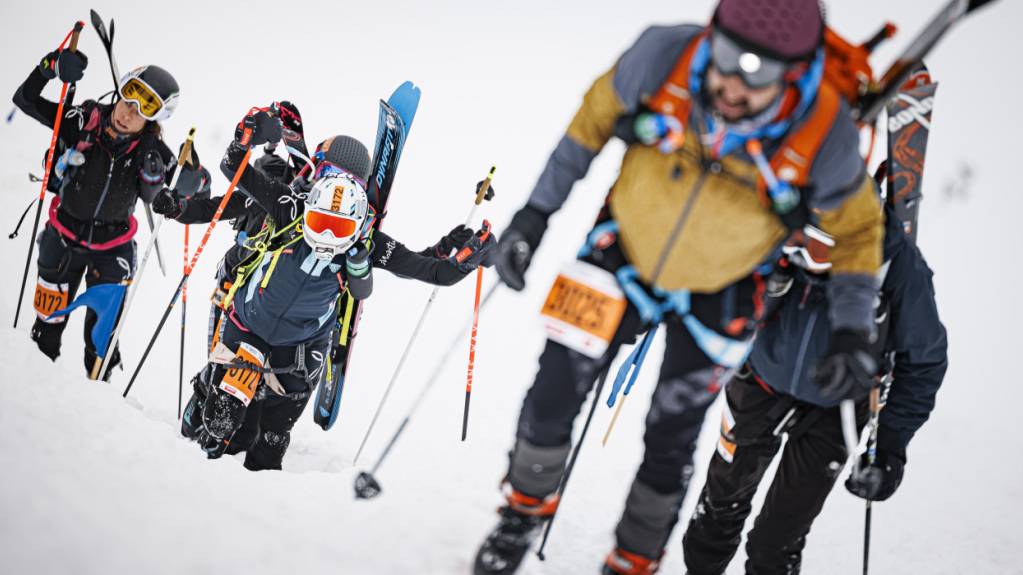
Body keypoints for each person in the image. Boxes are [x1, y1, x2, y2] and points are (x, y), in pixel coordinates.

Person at [474, 0, 885, 573]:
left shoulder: (825, 128)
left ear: (794, 73)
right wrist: (533, 216)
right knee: (553, 392)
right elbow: (588, 124)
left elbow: (861, 229)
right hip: (622, 246)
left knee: (671, 434)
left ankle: (634, 557)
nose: (733, 85)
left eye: (759, 74)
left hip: (725, 286)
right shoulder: (663, 53)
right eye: (724, 59)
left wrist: (850, 326)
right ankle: (522, 508)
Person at [167, 106, 495, 471]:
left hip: (300, 347)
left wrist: (465, 257)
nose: (326, 236)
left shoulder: (365, 240)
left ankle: (255, 502)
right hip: (248, 322)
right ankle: (204, 410)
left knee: (270, 444)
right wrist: (243, 138)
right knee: (221, 430)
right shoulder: (290, 205)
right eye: (320, 222)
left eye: (338, 228)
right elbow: (236, 172)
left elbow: (430, 271)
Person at [680, 198, 947, 574]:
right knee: (719, 508)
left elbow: (924, 360)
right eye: (805, 242)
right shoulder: (781, 215)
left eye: (825, 248)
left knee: (778, 540)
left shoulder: (897, 263)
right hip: (757, 384)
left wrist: (889, 446)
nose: (809, 256)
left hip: (836, 412)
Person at [13, 46, 204, 379]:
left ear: (153, 120)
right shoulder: (83, 120)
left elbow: (197, 189)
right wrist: (50, 67)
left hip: (112, 250)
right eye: (127, 100)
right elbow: (25, 100)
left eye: (139, 111)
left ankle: (98, 404)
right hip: (62, 238)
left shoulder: (153, 153)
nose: (127, 114)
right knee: (46, 333)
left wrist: (192, 175)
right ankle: (36, 393)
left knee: (101, 344)